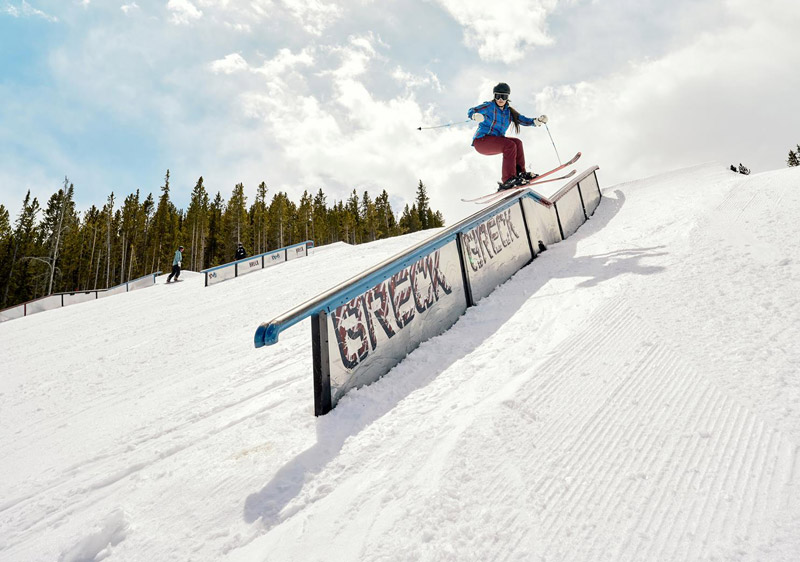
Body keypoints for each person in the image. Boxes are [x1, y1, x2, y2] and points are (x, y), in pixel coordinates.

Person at [468, 82, 548, 191]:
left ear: (507, 98)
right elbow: (471, 110)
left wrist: (536, 121)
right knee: (509, 145)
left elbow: (523, 120)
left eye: (503, 96)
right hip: (482, 141)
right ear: (494, 96)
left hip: (496, 141)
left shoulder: (509, 112)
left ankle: (520, 173)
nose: (500, 99)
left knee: (517, 143)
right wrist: (474, 115)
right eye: (497, 96)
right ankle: (508, 179)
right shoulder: (489, 106)